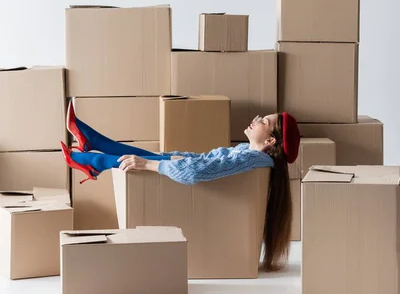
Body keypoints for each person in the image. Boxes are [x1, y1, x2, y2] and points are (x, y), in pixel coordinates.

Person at [61, 101, 300, 272]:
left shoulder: (253, 160)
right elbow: (203, 158)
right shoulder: (244, 152)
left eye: (264, 121)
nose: (257, 119)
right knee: (157, 156)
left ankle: (95, 160)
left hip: (195, 200)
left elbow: (195, 172)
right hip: (193, 179)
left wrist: (149, 165)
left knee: (147, 161)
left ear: (270, 141)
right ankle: (94, 145)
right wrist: (160, 157)